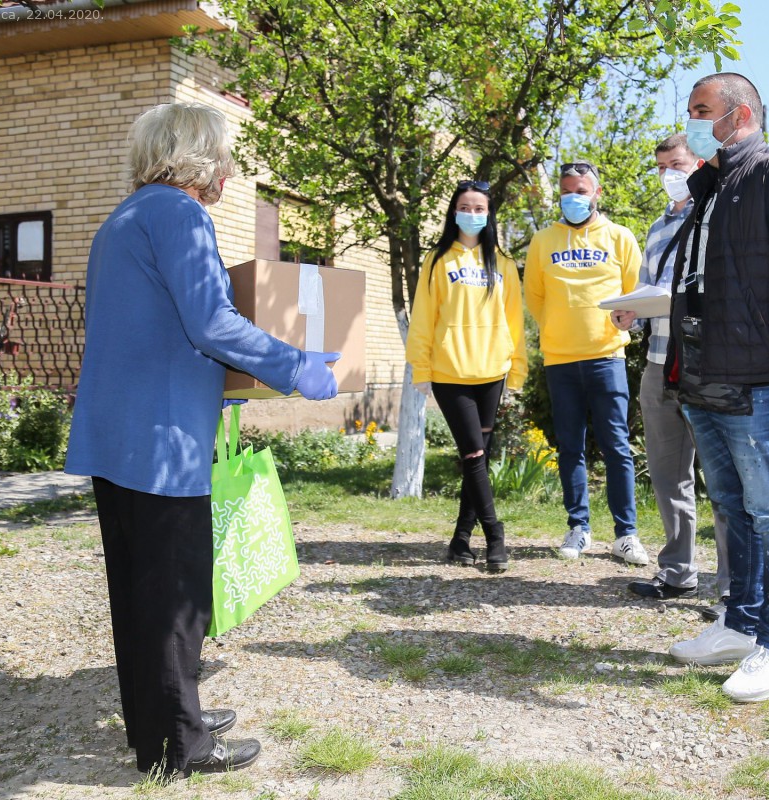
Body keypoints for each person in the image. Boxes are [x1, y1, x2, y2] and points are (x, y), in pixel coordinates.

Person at [65, 103, 340, 777]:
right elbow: (211, 322)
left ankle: (157, 721)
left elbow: (154, 326)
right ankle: (178, 745)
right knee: (175, 594)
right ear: (192, 156)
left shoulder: (122, 219)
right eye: (223, 157)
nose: (229, 171)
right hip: (161, 441)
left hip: (118, 434)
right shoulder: (180, 215)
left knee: (138, 591)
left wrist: (225, 377)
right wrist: (294, 366)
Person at [662, 73, 769, 703]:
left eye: (702, 110)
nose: (692, 122)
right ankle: (741, 624)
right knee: (733, 508)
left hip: (760, 378)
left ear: (741, 115)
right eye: (690, 111)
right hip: (705, 374)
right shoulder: (711, 186)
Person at [610, 134, 731, 613]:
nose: (668, 175)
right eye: (661, 167)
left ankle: (732, 586)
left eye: (676, 164)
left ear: (698, 163)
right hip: (659, 363)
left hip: (706, 365)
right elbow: (647, 288)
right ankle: (679, 573)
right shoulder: (658, 227)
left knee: (721, 479)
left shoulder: (717, 215)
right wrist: (630, 315)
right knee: (667, 476)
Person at [524, 160, 646, 565]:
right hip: (560, 360)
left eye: (581, 191)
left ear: (597, 193)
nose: (573, 198)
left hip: (607, 357)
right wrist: (559, 328)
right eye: (566, 191)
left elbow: (634, 295)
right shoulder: (542, 240)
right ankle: (578, 528)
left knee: (617, 447)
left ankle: (626, 534)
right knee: (570, 448)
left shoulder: (620, 237)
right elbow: (534, 297)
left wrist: (610, 326)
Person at [405, 179, 527, 572]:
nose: (472, 214)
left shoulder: (503, 263)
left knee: (478, 460)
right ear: (453, 212)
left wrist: (517, 370)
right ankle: (495, 535)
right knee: (474, 455)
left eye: (479, 208)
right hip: (450, 372)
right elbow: (423, 316)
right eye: (465, 207)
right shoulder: (437, 260)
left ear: (489, 215)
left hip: (493, 371)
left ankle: (460, 539)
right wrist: (421, 367)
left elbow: (515, 322)